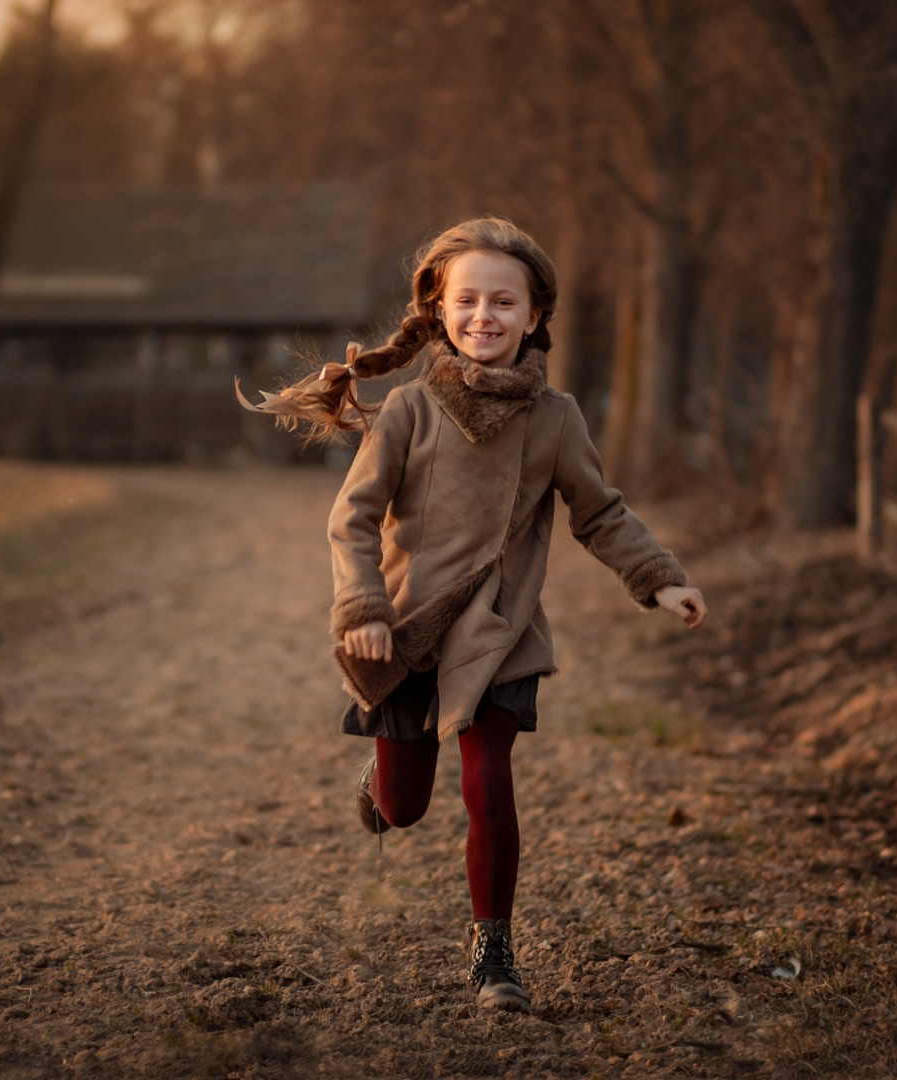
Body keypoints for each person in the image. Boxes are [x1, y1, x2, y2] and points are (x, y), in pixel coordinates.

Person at [238, 217, 707, 1014]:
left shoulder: (555, 418)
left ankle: (494, 953)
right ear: (437, 312)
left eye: (502, 302)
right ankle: (379, 781)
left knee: (488, 785)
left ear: (532, 318)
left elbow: (598, 513)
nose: (483, 316)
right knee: (405, 806)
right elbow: (350, 521)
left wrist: (658, 579)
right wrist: (362, 606)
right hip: (404, 632)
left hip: (498, 631)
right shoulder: (407, 413)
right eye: (467, 301)